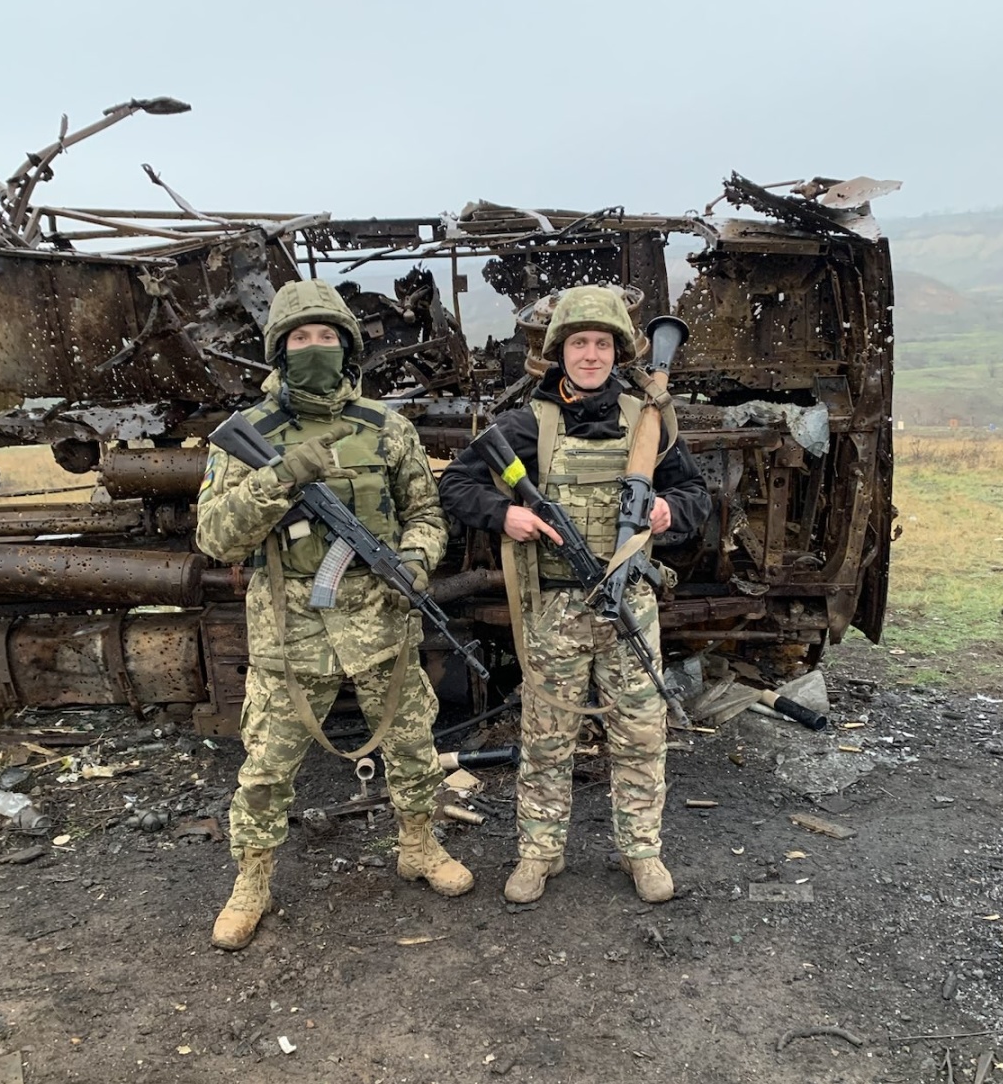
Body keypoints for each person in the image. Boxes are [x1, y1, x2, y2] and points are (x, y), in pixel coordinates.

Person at [196, 279, 473, 951]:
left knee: (412, 747)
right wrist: (279, 478)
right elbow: (216, 538)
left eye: (327, 337)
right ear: (279, 350)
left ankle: (419, 845)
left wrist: (415, 560)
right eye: (301, 338)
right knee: (268, 768)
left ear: (347, 347)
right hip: (290, 632)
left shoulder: (386, 427)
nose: (314, 347)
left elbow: (426, 513)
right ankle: (252, 882)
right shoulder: (247, 436)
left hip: (382, 622)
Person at [439, 286, 710, 905]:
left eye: (603, 344)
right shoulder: (528, 423)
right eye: (580, 343)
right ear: (559, 351)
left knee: (640, 735)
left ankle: (642, 853)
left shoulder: (647, 420)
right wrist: (505, 515)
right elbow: (456, 484)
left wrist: (669, 510)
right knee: (546, 738)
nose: (591, 355)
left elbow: (698, 496)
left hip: (629, 606)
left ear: (619, 352)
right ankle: (539, 853)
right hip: (557, 609)